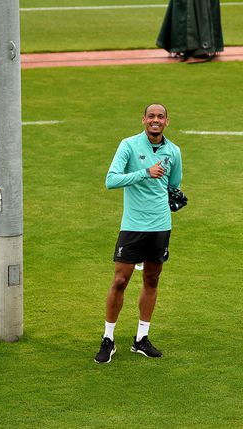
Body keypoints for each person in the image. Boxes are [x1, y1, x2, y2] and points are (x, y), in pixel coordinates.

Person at [94, 103, 183, 363]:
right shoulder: (129, 145)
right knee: (120, 281)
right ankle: (108, 338)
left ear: (167, 121)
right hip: (132, 226)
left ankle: (141, 339)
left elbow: (174, 186)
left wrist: (175, 198)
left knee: (152, 280)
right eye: (151, 116)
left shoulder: (173, 151)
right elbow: (111, 180)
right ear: (143, 119)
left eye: (161, 117)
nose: (156, 120)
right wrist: (145, 173)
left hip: (160, 226)